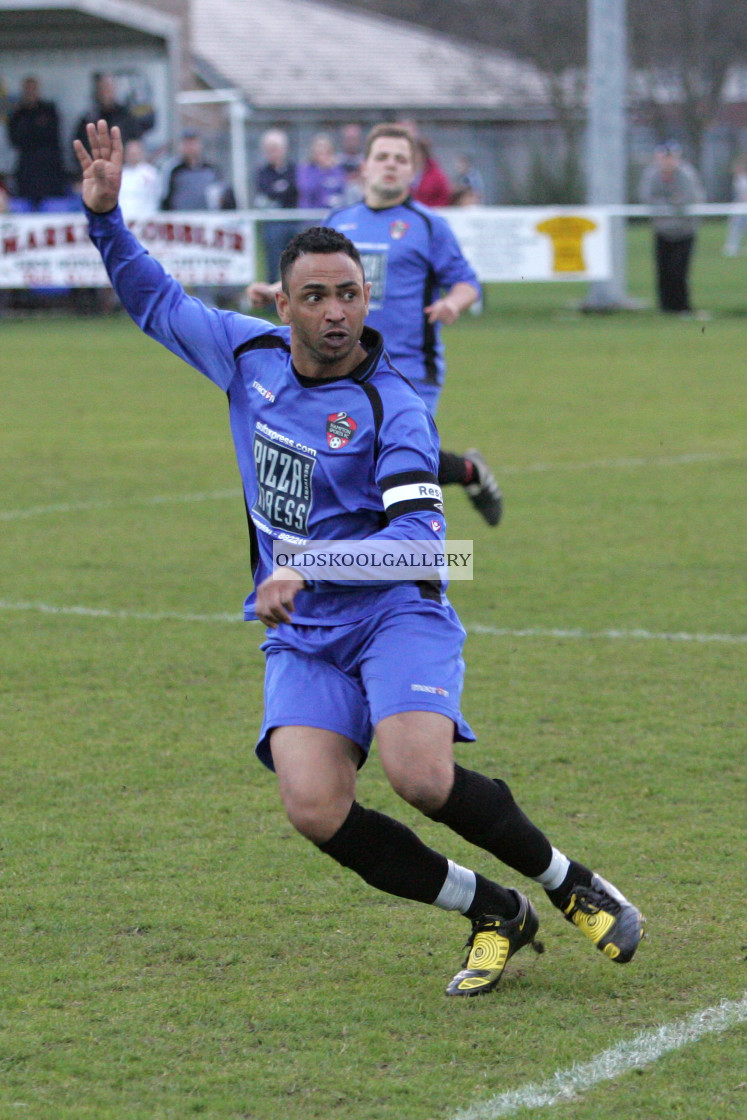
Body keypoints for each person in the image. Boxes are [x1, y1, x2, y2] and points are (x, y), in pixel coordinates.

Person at [73, 120, 644, 997]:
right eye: (315, 297)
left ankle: (569, 881)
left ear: (365, 298)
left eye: (348, 293)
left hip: (396, 608)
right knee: (313, 807)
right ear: (282, 304)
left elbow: (423, 542)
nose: (335, 311)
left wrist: (305, 566)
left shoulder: (395, 406)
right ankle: (489, 908)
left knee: (420, 775)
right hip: (305, 631)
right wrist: (107, 220)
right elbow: (155, 300)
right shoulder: (244, 355)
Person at [249, 123, 502, 527]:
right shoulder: (341, 219)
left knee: (391, 461)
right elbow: (313, 276)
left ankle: (405, 569)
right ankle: (467, 474)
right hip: (345, 365)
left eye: (401, 159)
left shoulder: (428, 225)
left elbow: (467, 281)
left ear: (413, 170)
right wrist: (274, 289)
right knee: (360, 459)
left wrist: (453, 303)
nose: (391, 165)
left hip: (409, 369)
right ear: (364, 166)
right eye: (382, 157)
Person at [638, 140, 706, 315]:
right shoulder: (651, 175)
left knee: (679, 271)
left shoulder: (687, 174)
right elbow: (647, 197)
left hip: (685, 231)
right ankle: (665, 308)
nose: (667, 161)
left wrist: (668, 204)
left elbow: (689, 198)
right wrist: (670, 202)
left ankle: (682, 307)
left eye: (670, 157)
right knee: (663, 271)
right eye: (663, 157)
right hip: (662, 231)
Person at [7, 76, 68, 208]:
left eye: (33, 89)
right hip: (27, 170)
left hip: (49, 170)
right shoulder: (18, 114)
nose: (30, 92)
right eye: (27, 89)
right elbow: (14, 140)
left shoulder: (49, 110)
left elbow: (52, 136)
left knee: (52, 206)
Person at [254, 128, 300, 284]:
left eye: (275, 148)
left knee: (297, 262)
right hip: (273, 224)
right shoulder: (262, 171)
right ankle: (271, 300)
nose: (272, 153)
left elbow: (295, 190)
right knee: (273, 262)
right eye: (269, 149)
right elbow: (266, 191)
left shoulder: (295, 169)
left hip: (294, 221)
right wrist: (282, 189)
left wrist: (280, 190)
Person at [73, 73, 150, 154]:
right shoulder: (88, 119)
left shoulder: (126, 117)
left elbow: (136, 143)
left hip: (123, 164)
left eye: (109, 88)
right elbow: (79, 149)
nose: (106, 93)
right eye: (103, 88)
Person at [161, 130, 235, 212]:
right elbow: (164, 196)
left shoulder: (211, 168)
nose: (190, 147)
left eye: (193, 143)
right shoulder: (173, 169)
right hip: (181, 219)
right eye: (186, 144)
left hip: (206, 218)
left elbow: (220, 193)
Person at [296, 132, 347, 211]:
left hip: (332, 214)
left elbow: (341, 188)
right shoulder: (305, 169)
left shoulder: (336, 170)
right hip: (311, 215)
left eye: (326, 151)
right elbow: (307, 189)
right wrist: (322, 172)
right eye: (319, 149)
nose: (323, 153)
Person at [118, 138, 160, 220]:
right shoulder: (119, 173)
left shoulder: (151, 173)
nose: (133, 156)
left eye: (135, 153)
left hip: (145, 220)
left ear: (141, 153)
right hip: (123, 220)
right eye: (130, 153)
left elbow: (158, 195)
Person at [722, 155, 747, 257]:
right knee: (734, 227)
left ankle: (732, 247)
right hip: (739, 207)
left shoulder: (743, 179)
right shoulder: (737, 179)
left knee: (738, 226)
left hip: (743, 207)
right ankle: (732, 247)